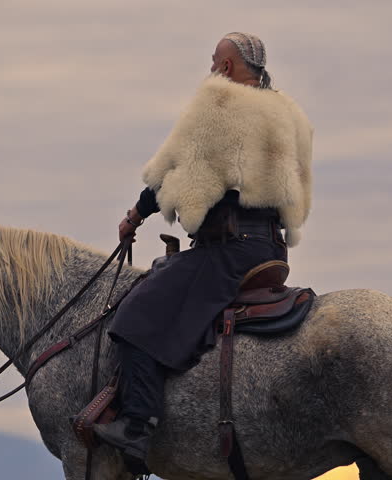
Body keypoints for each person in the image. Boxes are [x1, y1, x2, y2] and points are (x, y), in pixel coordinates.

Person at [93, 32, 313, 472]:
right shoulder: (289, 113)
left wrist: (135, 215)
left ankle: (137, 427)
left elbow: (176, 172)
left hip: (228, 251)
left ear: (228, 67)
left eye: (215, 60)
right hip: (271, 250)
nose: (211, 67)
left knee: (135, 315)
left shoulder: (219, 104)